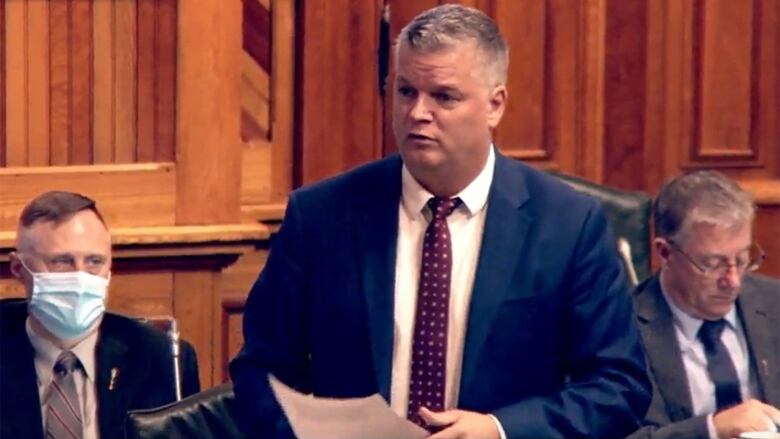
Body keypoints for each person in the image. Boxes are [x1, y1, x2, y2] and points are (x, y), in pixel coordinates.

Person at [230, 4, 650, 438]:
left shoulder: (567, 226)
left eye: (443, 97)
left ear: (495, 105)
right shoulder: (321, 216)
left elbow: (618, 387)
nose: (417, 113)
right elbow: (261, 372)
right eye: (406, 91)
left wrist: (501, 430)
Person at [0, 191, 201, 439]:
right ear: (18, 268)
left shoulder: (159, 357)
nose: (81, 276)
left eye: (94, 261)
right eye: (62, 262)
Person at [627, 171, 780, 439]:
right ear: (665, 252)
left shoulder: (773, 303)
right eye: (711, 264)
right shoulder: (624, 329)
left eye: (742, 259)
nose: (732, 281)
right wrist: (712, 429)